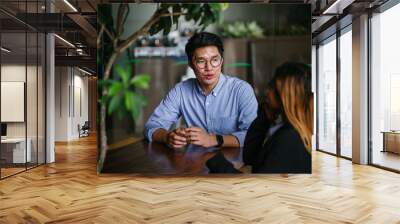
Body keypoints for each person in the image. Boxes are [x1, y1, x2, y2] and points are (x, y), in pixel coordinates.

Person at [144, 32, 258, 149]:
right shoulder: (181, 91)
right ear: (191, 64)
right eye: (201, 61)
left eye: (214, 60)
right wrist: (167, 136)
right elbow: (152, 126)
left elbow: (253, 136)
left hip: (234, 163)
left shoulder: (241, 90)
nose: (209, 68)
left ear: (221, 61)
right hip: (195, 163)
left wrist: (213, 139)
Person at [206, 62, 313, 173]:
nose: (267, 91)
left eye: (272, 86)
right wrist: (264, 116)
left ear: (284, 95)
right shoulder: (291, 131)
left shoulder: (288, 138)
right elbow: (250, 158)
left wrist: (217, 163)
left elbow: (257, 187)